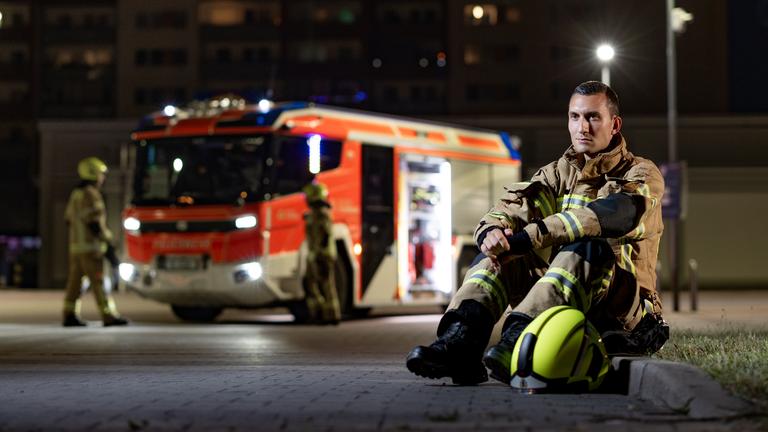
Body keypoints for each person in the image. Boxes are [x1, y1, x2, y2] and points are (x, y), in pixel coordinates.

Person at [406, 81, 669, 385]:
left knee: (588, 249)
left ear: (615, 124)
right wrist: (493, 234)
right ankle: (460, 342)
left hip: (624, 311)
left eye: (593, 117)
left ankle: (518, 341)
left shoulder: (640, 173)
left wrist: (529, 237)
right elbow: (512, 208)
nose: (582, 126)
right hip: (564, 300)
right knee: (499, 258)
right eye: (575, 117)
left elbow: (614, 215)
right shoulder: (557, 173)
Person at [62, 157, 129, 327]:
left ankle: (69, 314)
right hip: (91, 249)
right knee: (99, 283)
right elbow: (94, 222)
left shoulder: (75, 194)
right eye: (101, 174)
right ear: (93, 174)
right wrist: (107, 242)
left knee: (74, 283)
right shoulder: (91, 194)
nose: (103, 178)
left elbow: (68, 219)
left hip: (76, 248)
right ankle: (108, 316)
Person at [302, 179, 342, 324]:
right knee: (321, 284)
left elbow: (325, 234)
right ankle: (326, 313)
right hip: (319, 254)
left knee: (322, 284)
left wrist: (318, 253)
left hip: (321, 255)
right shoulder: (316, 213)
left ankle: (326, 314)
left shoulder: (321, 214)